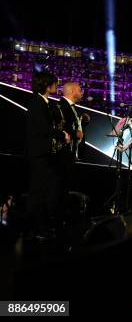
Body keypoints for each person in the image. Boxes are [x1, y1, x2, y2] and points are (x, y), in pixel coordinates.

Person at [25, 70, 71, 241]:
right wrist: (62, 135)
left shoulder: (42, 102)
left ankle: (37, 227)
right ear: (46, 84)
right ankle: (34, 229)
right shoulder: (38, 103)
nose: (56, 85)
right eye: (54, 83)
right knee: (38, 192)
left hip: (42, 154)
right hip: (39, 154)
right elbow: (44, 128)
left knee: (41, 191)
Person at [58, 82, 89, 193]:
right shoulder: (62, 106)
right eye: (80, 90)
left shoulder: (72, 107)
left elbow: (75, 125)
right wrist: (75, 133)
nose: (82, 92)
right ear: (72, 91)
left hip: (72, 154)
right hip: (64, 155)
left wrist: (84, 122)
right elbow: (60, 127)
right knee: (62, 188)